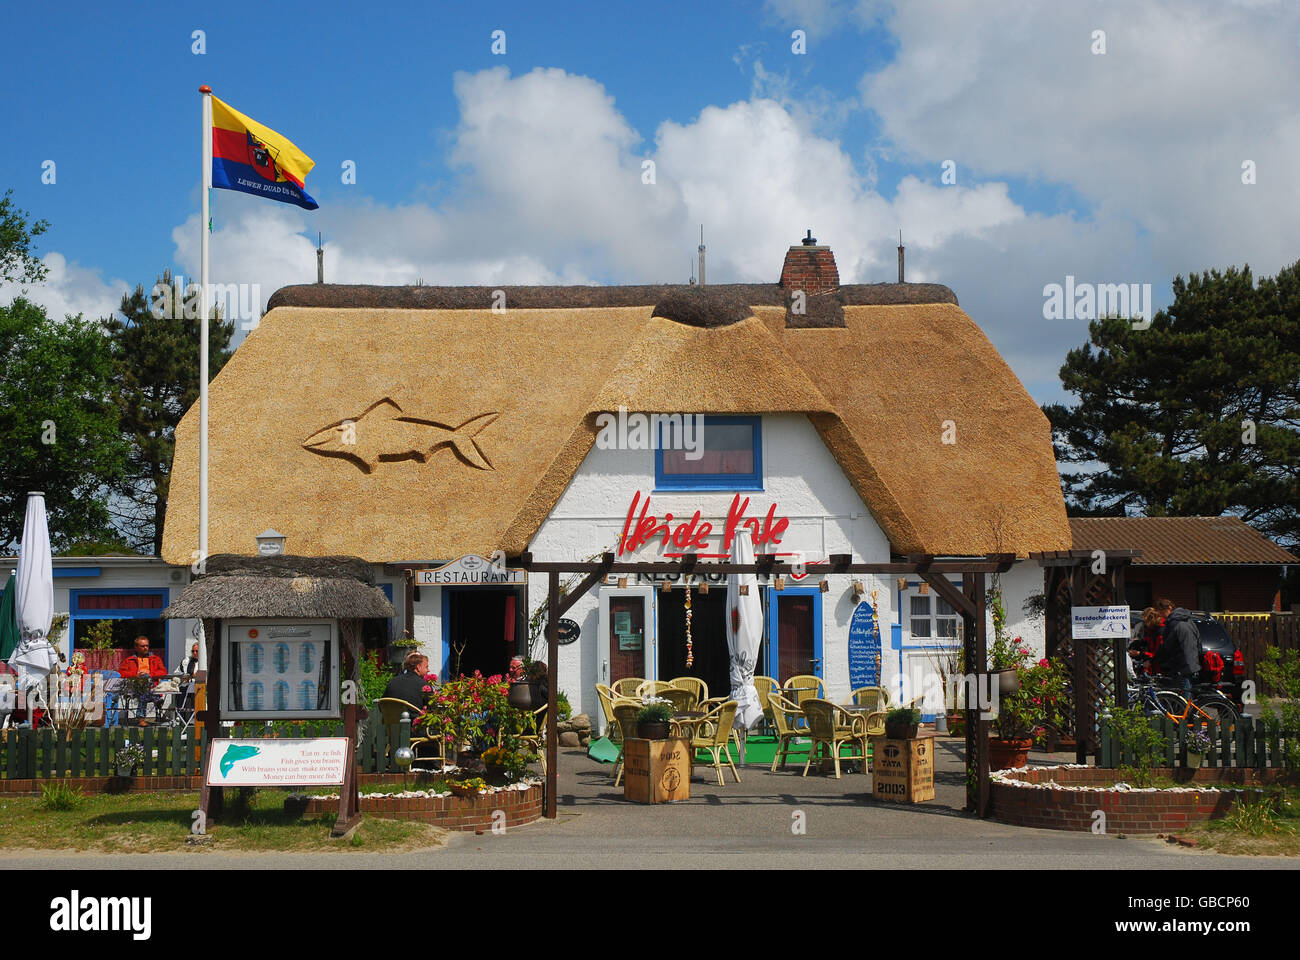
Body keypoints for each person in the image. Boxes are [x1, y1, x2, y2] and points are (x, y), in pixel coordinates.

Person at [1152, 598, 1200, 696]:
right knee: (1189, 693)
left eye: (1161, 612)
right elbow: (1198, 639)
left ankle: (1186, 711)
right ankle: (1190, 710)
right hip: (1193, 662)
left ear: (1168, 609)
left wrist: (1154, 660)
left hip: (1181, 664)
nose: (1161, 615)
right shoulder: (1189, 620)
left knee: (1183, 697)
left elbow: (1166, 646)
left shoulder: (1173, 623)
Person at [117, 636, 166, 722]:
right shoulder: (129, 660)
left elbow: (163, 672)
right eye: (142, 646)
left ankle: (141, 718)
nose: (145, 648)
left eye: (147, 646)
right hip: (135, 686)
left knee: (145, 687)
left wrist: (150, 674)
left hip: (150, 688)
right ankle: (155, 699)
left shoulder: (155, 659)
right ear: (136, 647)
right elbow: (120, 673)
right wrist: (135, 675)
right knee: (144, 681)